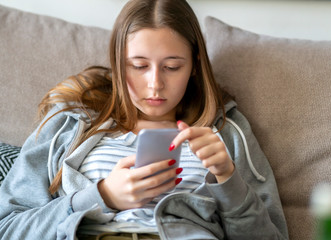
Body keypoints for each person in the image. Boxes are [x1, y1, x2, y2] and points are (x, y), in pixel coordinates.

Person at [0, 0, 289, 239]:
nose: (155, 84)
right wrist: (101, 196)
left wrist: (227, 178)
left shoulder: (228, 131)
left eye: (172, 67)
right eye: (138, 66)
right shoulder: (70, 121)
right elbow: (8, 228)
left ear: (194, 65)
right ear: (117, 62)